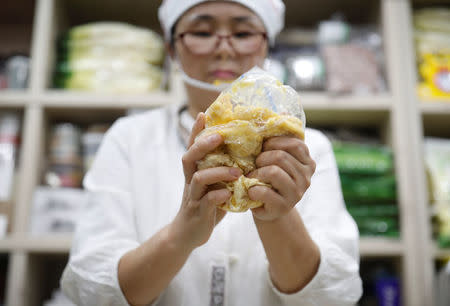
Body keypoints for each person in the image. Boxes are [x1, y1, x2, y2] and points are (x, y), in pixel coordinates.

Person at [61, 1, 363, 305]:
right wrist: (182, 234)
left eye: (243, 33)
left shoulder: (306, 148)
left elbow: (332, 296)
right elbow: (96, 292)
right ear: (171, 48)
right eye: (202, 32)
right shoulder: (129, 139)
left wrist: (275, 216)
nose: (224, 49)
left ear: (266, 45)